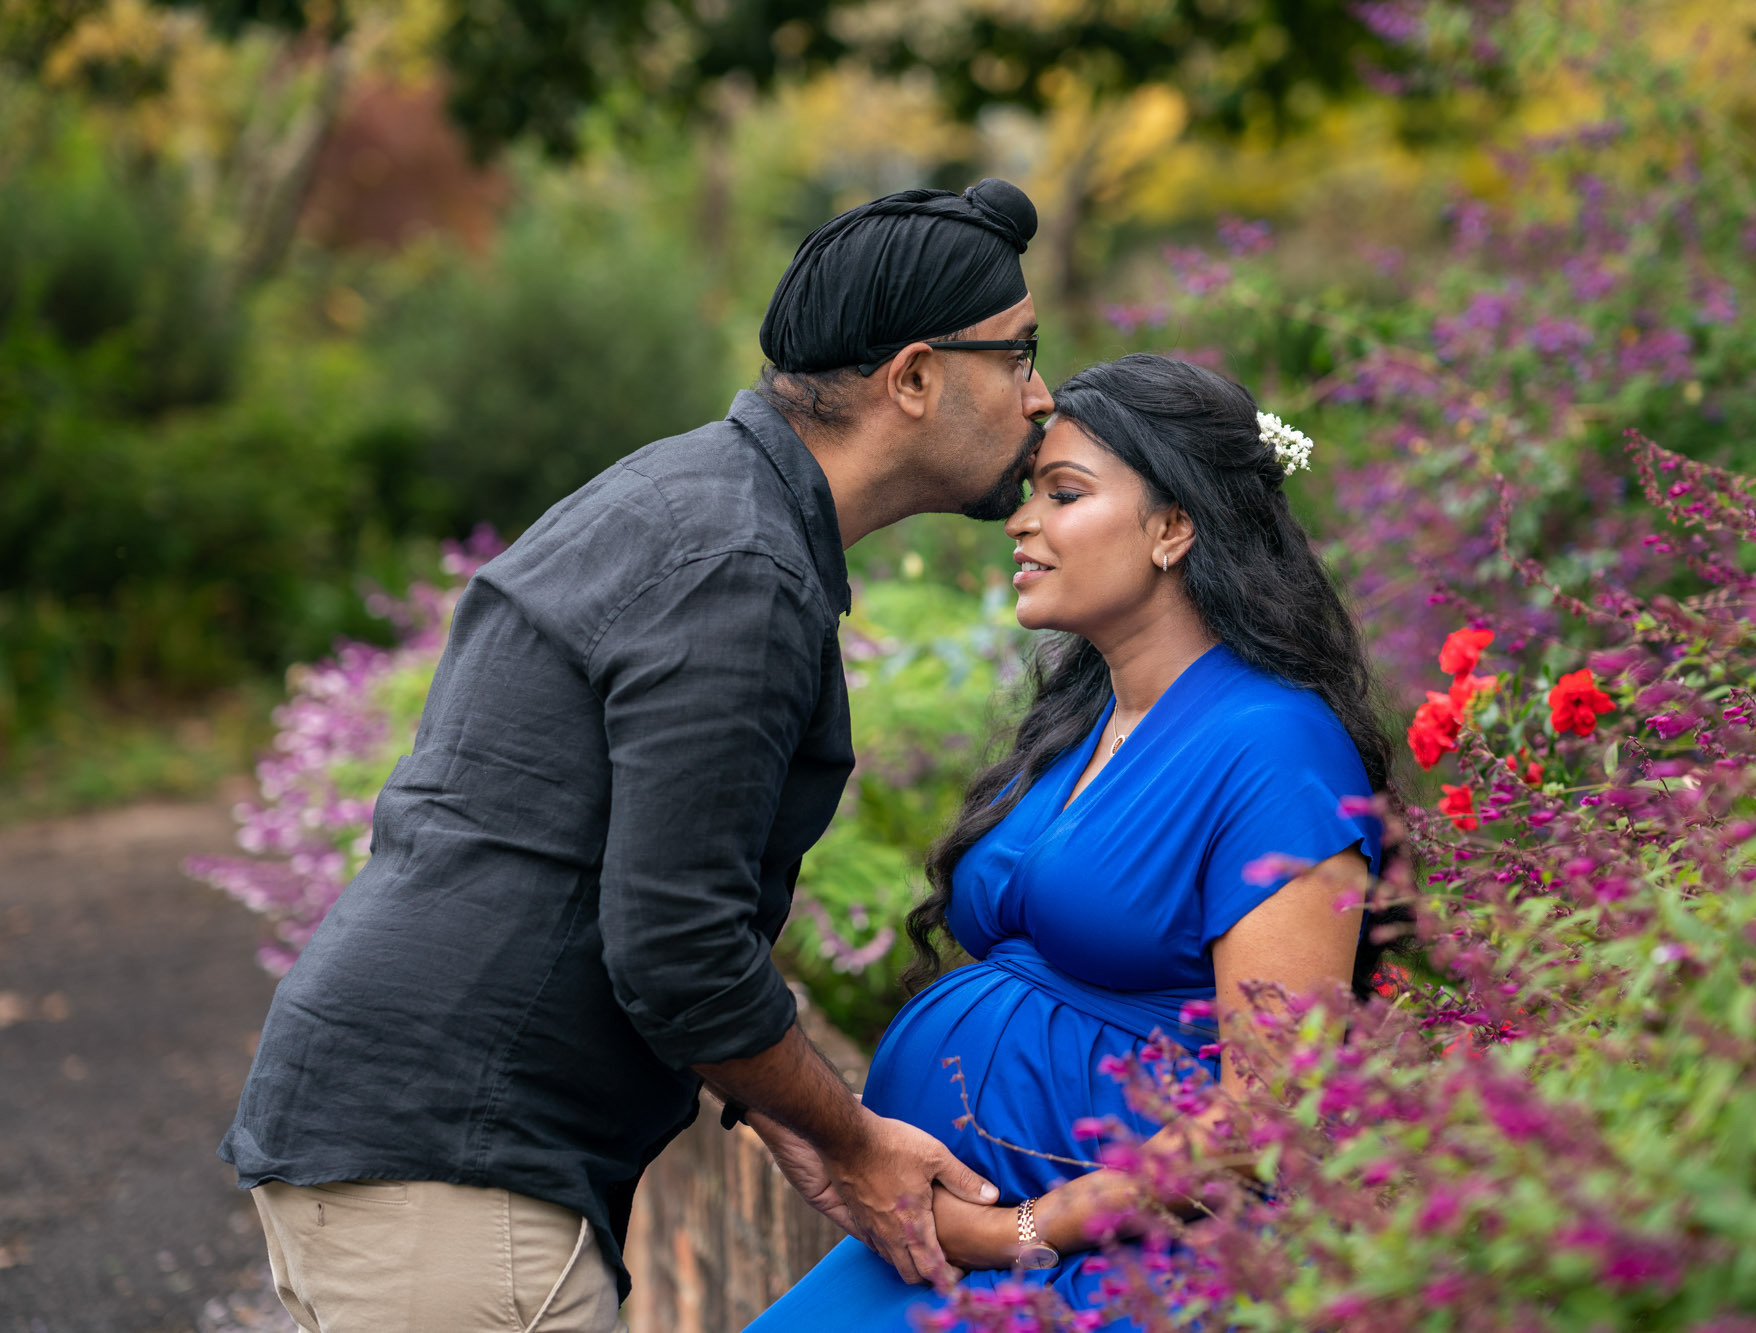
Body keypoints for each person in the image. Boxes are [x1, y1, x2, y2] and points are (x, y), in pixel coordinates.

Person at [219, 179, 1055, 1333]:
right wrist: (851, 1138)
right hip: (451, 1173)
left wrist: (778, 1110)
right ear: (912, 378)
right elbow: (675, 939)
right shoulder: (740, 565)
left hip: (407, 1148)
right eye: (1017, 355)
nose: (1041, 395)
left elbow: (578, 840)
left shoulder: (694, 496)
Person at [744, 353, 1397, 1332]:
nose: (1020, 521)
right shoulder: (1080, 724)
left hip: (1117, 1270)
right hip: (955, 1253)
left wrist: (1026, 1228)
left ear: (1173, 525)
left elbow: (1268, 1109)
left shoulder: (1275, 747)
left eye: (1061, 492)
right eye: (1026, 492)